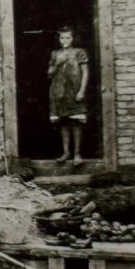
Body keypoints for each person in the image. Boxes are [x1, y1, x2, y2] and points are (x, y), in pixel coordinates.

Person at [48, 25, 89, 166]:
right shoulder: (55, 54)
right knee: (64, 123)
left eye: (68, 37)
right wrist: (58, 63)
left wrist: (82, 91)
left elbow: (85, 73)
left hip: (74, 91)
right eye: (62, 37)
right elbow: (49, 74)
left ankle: (77, 154)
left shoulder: (79, 52)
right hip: (59, 92)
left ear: (73, 38)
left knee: (76, 123)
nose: (64, 40)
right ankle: (66, 152)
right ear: (59, 39)